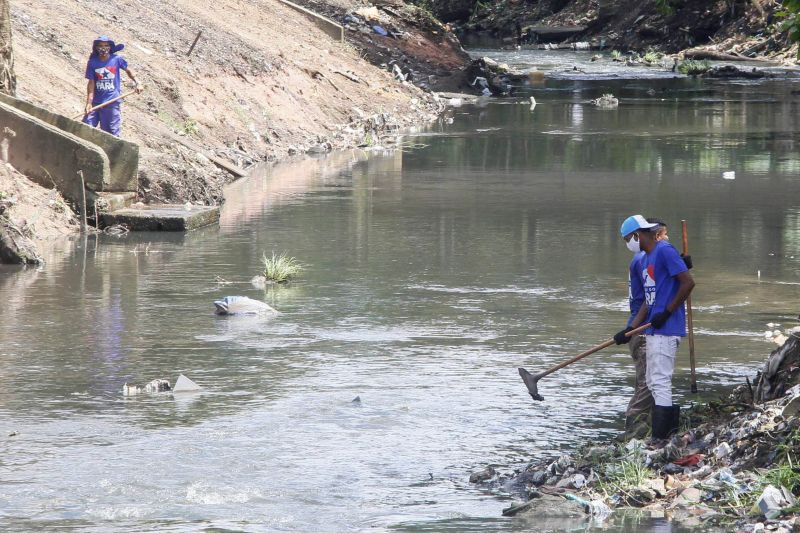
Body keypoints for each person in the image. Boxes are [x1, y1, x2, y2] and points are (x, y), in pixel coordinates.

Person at [615, 215, 695, 440]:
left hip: (667, 328)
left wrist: (667, 312)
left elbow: (687, 283)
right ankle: (662, 434)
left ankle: (661, 438)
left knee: (660, 381)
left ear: (638, 235)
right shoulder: (643, 260)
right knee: (651, 380)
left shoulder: (664, 251)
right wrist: (630, 329)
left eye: (627, 239)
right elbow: (646, 303)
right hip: (651, 329)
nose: (627, 244)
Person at [83, 36, 142, 137]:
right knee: (85, 127)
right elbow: (91, 84)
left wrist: (138, 82)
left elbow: (128, 70)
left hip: (112, 102)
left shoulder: (117, 59)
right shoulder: (92, 63)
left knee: (111, 133)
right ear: (96, 47)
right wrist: (89, 103)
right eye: (100, 45)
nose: (103, 48)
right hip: (96, 103)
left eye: (106, 45)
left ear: (110, 47)